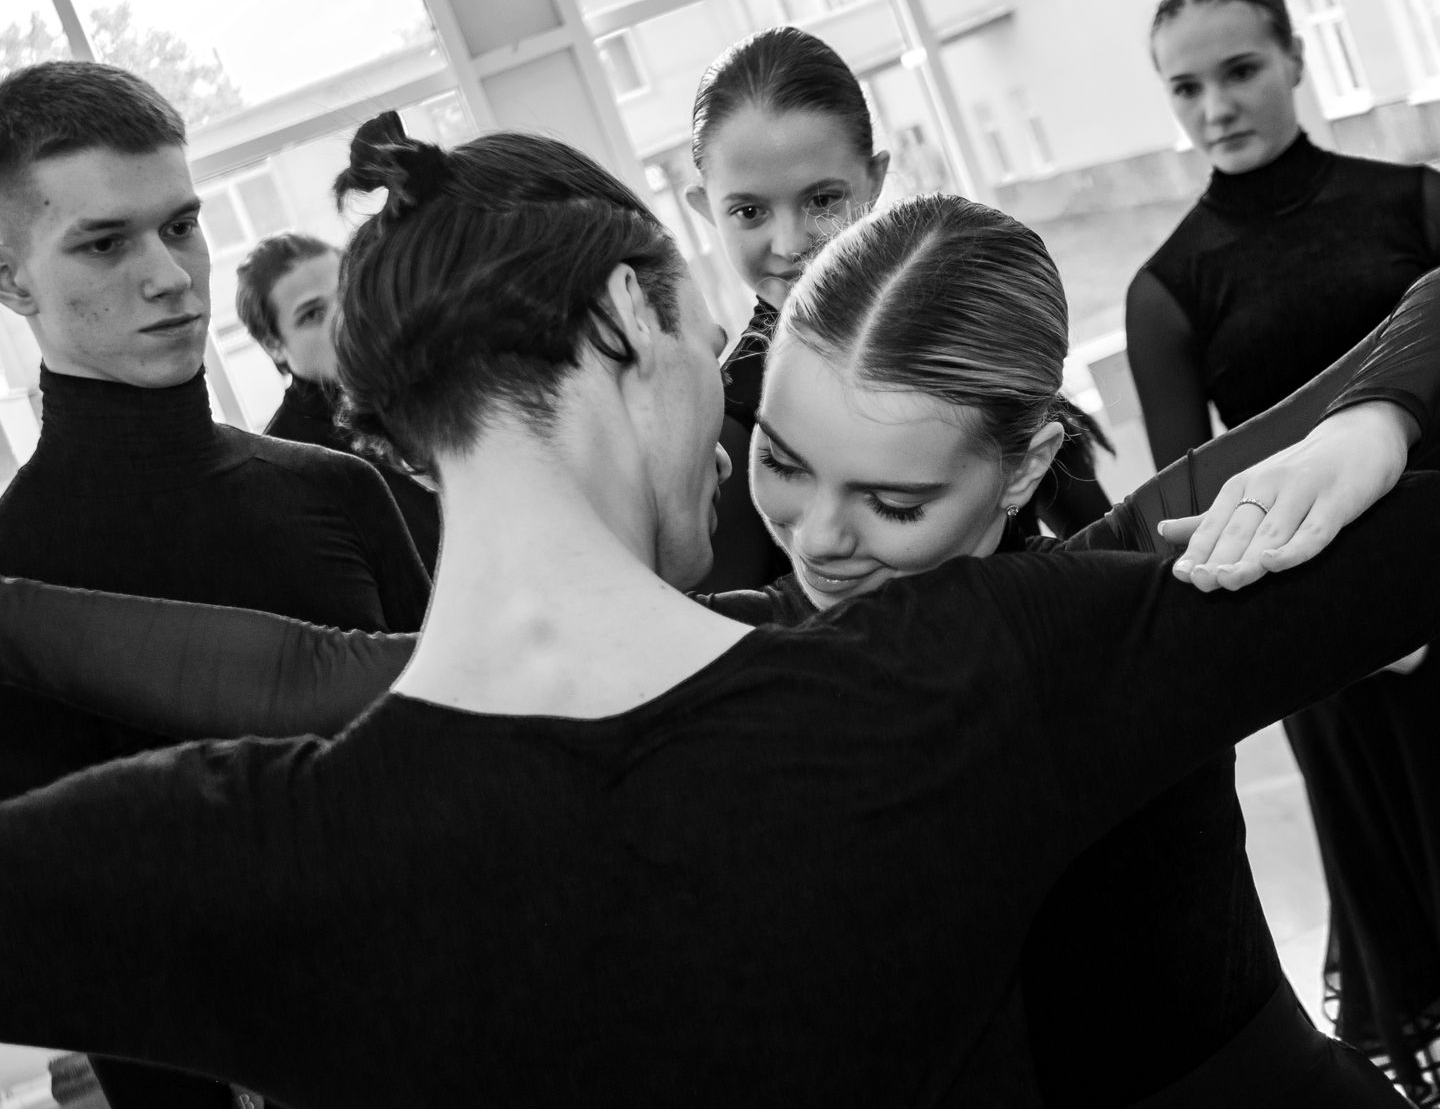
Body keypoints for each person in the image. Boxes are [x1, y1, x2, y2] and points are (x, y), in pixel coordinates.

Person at [0, 120, 1438, 1107]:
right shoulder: (966, 670)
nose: (817, 530)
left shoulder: (250, 859)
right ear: (635, 318)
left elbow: (308, 681)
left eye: (889, 496)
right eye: (769, 437)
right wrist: (1384, 419)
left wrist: (1369, 415)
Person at [0, 61, 430, 1109]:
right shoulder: (15, 576)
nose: (171, 276)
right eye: (105, 243)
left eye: (182, 225)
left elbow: (465, 773)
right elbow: (76, 929)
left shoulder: (340, 490)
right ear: (11, 281)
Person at [1127, 0, 1440, 1096]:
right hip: (1335, 657)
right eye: (1186, 87)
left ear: (1297, 58)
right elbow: (1192, 512)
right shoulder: (1167, 288)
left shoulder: (1416, 201)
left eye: (1240, 70)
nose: (1216, 107)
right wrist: (1354, 633)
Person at [684, 27, 1113, 592]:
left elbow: (1106, 555)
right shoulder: (725, 428)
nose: (789, 243)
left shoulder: (975, 328)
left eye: (822, 199)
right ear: (704, 209)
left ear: (876, 178)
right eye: (748, 212)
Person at [237, 231, 441, 572]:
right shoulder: (284, 469)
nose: (344, 319)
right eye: (313, 314)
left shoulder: (428, 392)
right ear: (273, 345)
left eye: (347, 294)